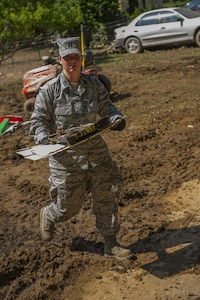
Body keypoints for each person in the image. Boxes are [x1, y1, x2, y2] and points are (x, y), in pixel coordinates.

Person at [30, 37, 132, 260]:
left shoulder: (94, 85)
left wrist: (116, 118)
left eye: (76, 57)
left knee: (107, 196)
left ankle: (111, 243)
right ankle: (49, 215)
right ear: (60, 60)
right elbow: (37, 120)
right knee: (68, 208)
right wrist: (41, 136)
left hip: (96, 153)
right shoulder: (49, 90)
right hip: (66, 159)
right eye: (67, 58)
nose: (72, 62)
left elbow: (108, 107)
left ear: (81, 58)